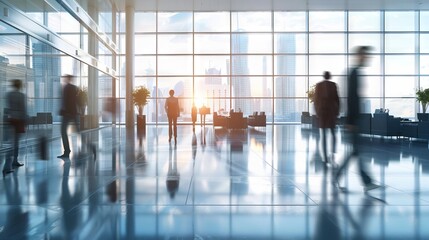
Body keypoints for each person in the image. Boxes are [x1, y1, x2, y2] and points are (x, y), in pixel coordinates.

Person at [333, 46, 381, 192]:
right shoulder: (354, 73)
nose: (367, 58)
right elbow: (352, 98)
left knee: (355, 151)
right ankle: (366, 182)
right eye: (365, 56)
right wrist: (351, 121)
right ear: (359, 56)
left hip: (353, 119)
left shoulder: (355, 72)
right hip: (353, 119)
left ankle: (338, 175)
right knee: (356, 151)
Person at [314, 71, 339, 165]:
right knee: (331, 134)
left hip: (325, 113)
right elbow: (337, 99)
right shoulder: (333, 85)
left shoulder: (319, 85)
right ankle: (331, 154)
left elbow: (316, 100)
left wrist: (317, 112)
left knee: (324, 135)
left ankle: (326, 156)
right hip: (328, 113)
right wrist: (336, 112)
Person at [4, 79, 27, 176]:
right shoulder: (21, 96)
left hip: (11, 120)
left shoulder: (8, 95)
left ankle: (14, 161)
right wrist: (25, 120)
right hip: (18, 121)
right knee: (15, 143)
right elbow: (23, 109)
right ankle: (7, 166)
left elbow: (8, 109)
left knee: (13, 142)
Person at [58, 75, 79, 158]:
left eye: (65, 78)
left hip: (67, 113)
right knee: (78, 132)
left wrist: (65, 111)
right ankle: (91, 146)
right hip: (73, 112)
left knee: (63, 131)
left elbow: (66, 101)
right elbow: (74, 101)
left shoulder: (66, 87)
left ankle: (67, 151)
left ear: (68, 79)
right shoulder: (74, 88)